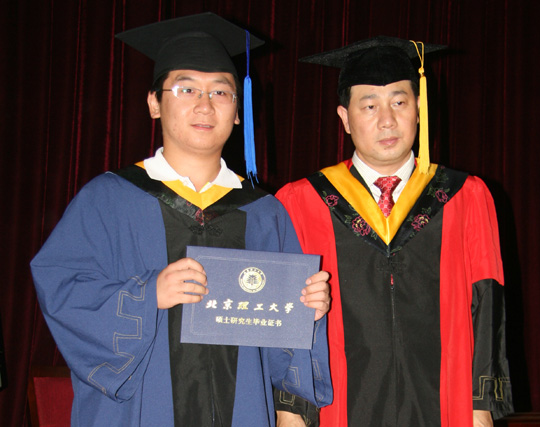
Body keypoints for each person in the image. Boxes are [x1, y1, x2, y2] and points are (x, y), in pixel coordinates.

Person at [30, 13, 332, 427]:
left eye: (220, 92)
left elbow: (283, 336)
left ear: (238, 111)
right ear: (154, 103)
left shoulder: (263, 212)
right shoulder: (109, 199)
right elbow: (63, 290)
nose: (204, 105)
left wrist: (305, 312)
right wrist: (147, 295)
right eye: (186, 88)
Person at [274, 36, 513, 426]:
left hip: (446, 407)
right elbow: (285, 319)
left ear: (419, 109)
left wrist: (481, 408)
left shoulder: (465, 196)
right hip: (338, 409)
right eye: (369, 106)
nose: (387, 120)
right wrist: (290, 412)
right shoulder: (300, 202)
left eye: (399, 102)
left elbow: (487, 306)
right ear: (344, 118)